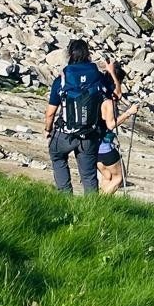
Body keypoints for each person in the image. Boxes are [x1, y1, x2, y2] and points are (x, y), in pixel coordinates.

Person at [45, 40, 115, 194]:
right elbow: (115, 94)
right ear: (88, 55)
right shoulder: (98, 77)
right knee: (89, 175)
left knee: (57, 157)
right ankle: (92, 205)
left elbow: (50, 113)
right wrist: (111, 73)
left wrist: (47, 130)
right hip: (89, 135)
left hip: (64, 133)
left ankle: (65, 197)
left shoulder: (62, 79)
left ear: (70, 55)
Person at [96, 59, 138, 194]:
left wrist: (111, 73)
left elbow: (118, 94)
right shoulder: (109, 102)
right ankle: (98, 202)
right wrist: (128, 113)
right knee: (119, 178)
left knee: (107, 176)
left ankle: (100, 203)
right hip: (105, 146)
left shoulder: (98, 93)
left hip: (94, 145)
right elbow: (110, 124)